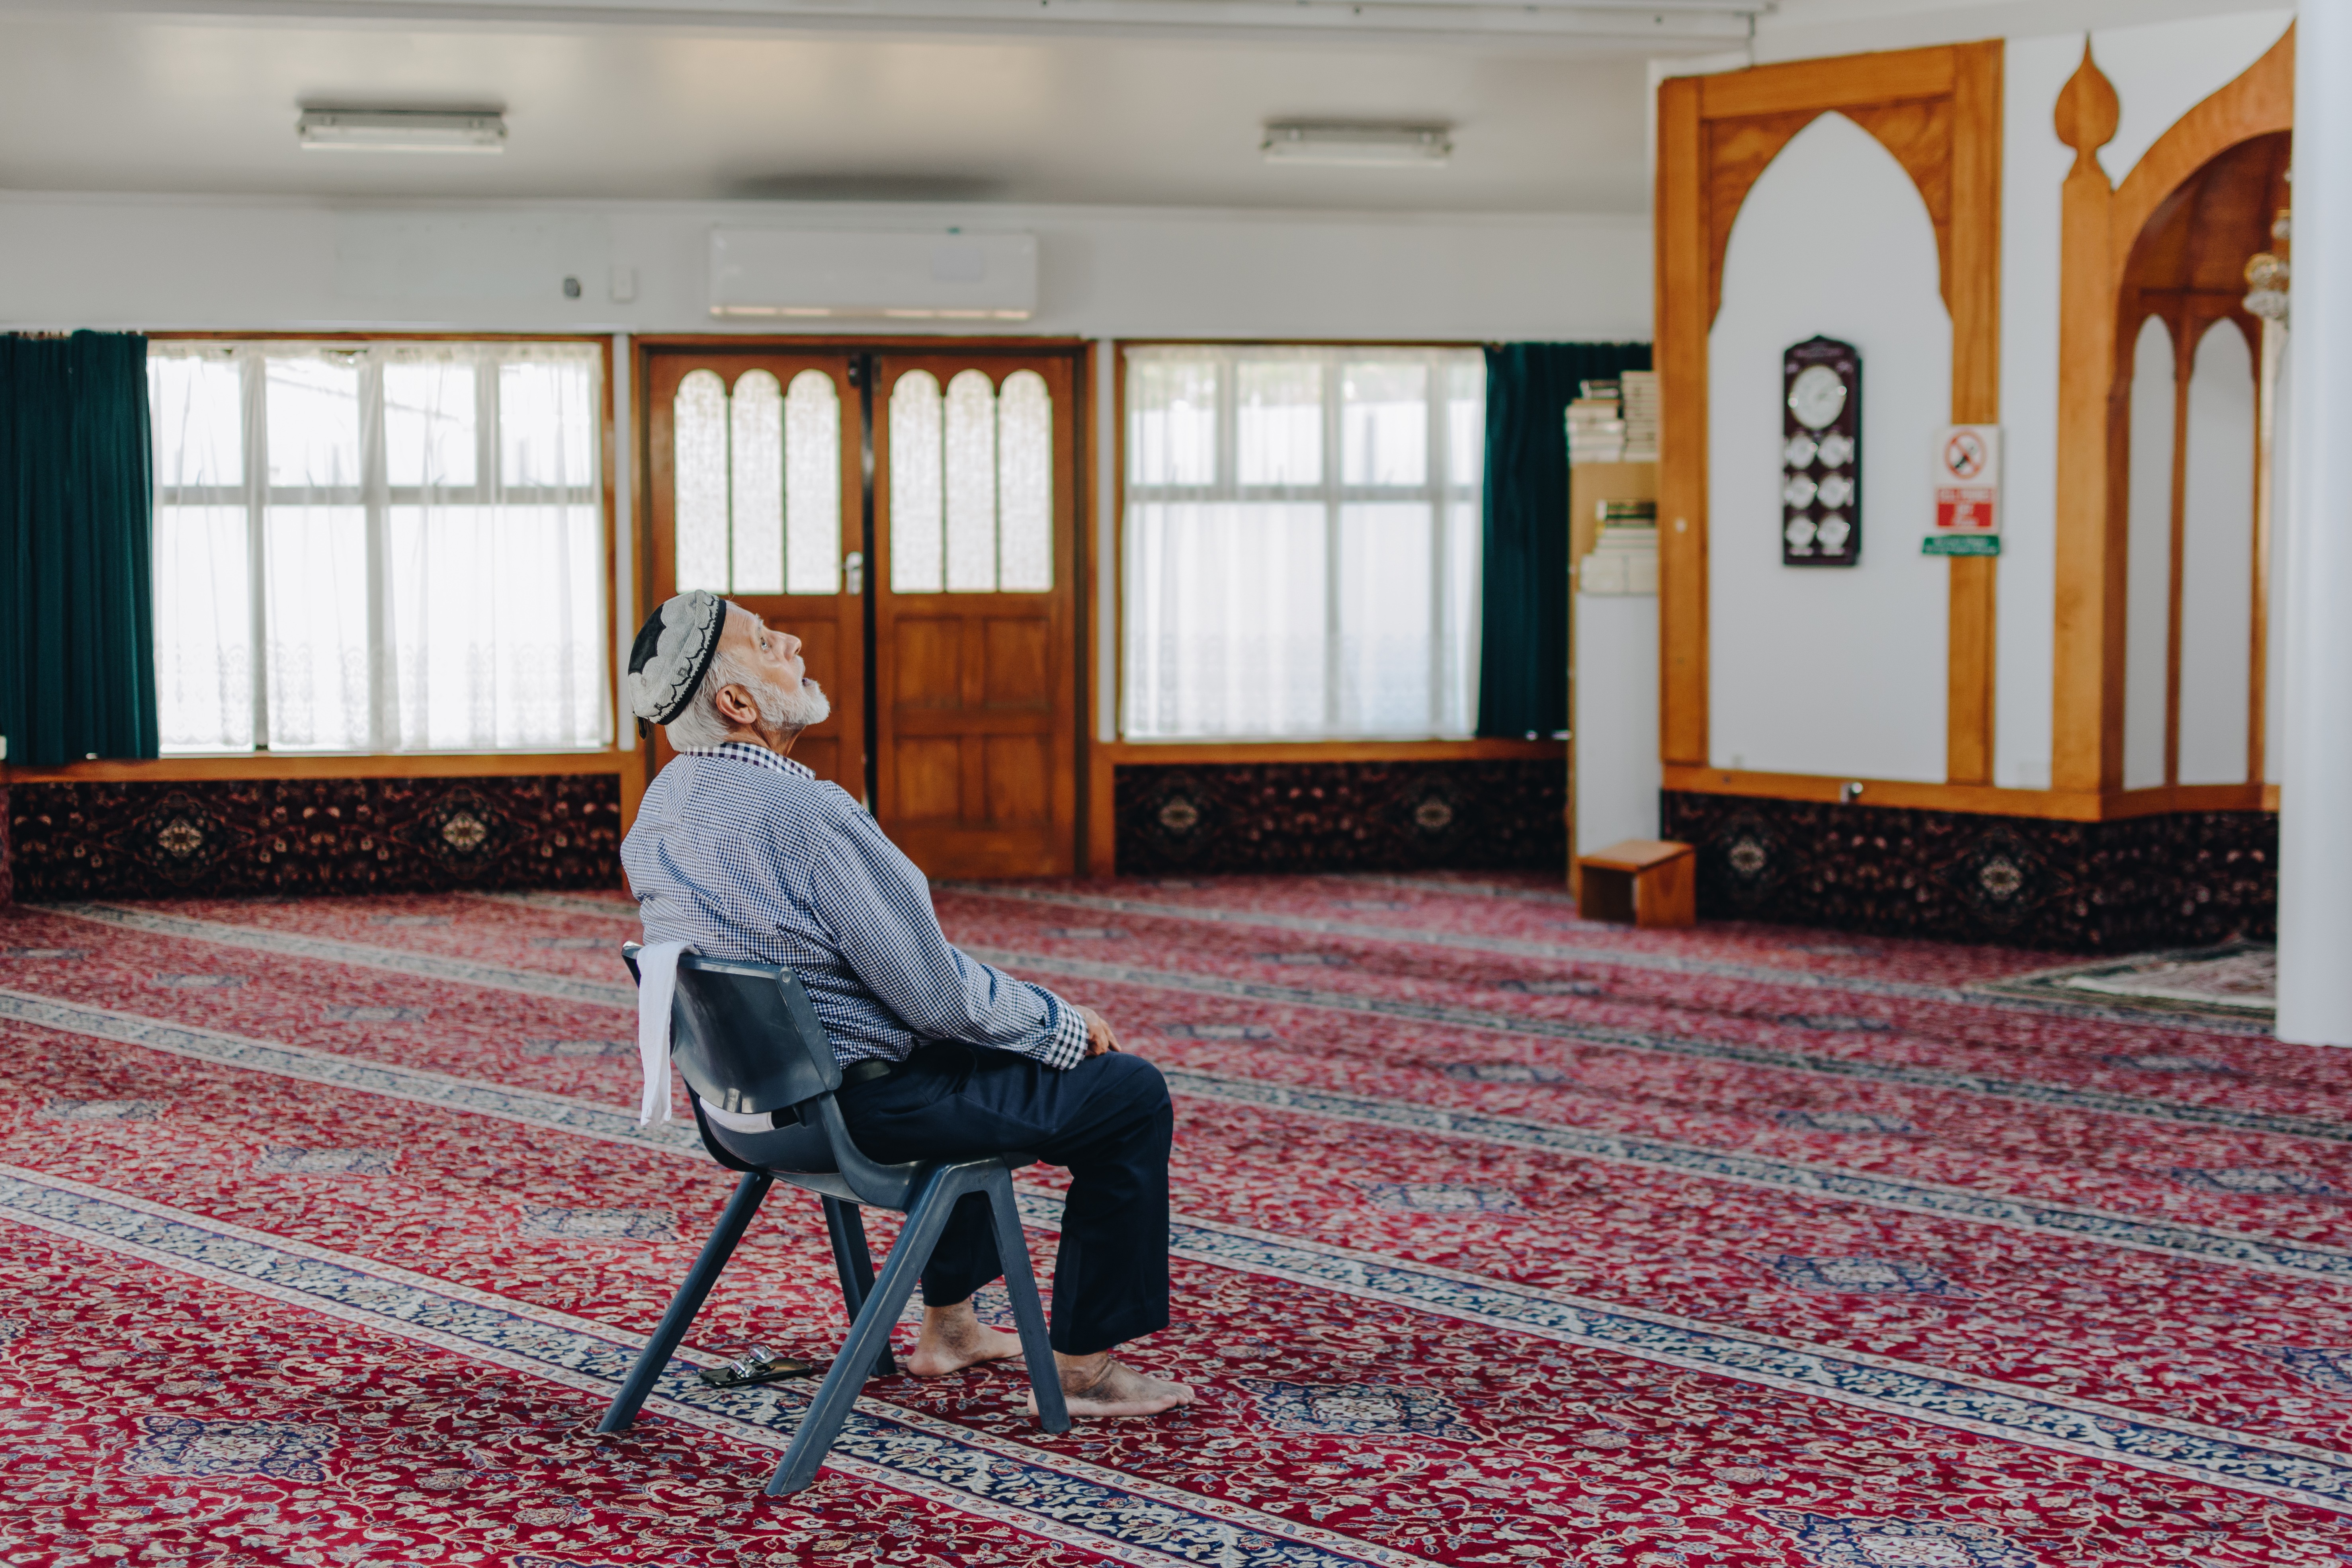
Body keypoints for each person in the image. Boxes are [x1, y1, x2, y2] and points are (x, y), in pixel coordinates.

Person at [618, 589, 1191, 1419]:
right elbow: (935, 997)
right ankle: (1085, 1367)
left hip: (746, 1109)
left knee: (980, 1052)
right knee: (1127, 1092)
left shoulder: (663, 804)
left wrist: (1019, 1022)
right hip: (858, 1111)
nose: (794, 645)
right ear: (737, 703)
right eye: (768, 642)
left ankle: (950, 1328)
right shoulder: (807, 813)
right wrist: (1060, 1023)